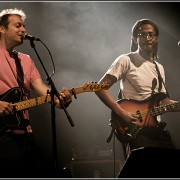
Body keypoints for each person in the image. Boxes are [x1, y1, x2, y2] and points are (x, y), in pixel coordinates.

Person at [95, 19, 180, 177]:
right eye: (142, 34)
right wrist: (122, 113)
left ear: (156, 38)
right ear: (135, 38)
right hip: (135, 129)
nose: (148, 37)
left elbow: (163, 101)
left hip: (157, 129)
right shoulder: (126, 60)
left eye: (151, 34)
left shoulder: (159, 68)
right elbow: (99, 88)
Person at [0, 8, 72, 177]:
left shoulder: (25, 60)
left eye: (24, 26)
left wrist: (58, 97)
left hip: (26, 135)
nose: (24, 30)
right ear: (2, 29)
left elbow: (42, 89)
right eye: (18, 25)